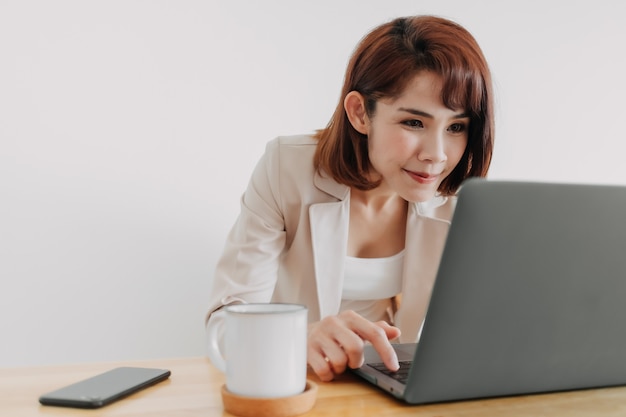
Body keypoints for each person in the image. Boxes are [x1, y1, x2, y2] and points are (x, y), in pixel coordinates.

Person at [205, 15, 495, 382]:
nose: (436, 155)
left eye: (456, 127)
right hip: (296, 379)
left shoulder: (459, 200)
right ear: (360, 113)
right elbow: (225, 324)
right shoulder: (287, 168)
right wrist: (299, 335)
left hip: (384, 383)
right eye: (414, 123)